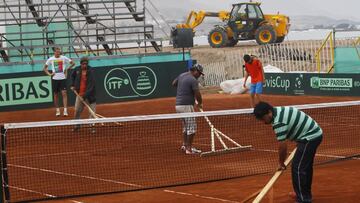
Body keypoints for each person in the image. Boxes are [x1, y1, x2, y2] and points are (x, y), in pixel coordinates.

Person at [253, 101, 323, 203]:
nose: (263, 122)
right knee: (304, 167)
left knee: (299, 168)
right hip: (311, 134)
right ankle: (302, 193)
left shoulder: (278, 122)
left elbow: (282, 146)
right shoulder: (278, 110)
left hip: (310, 137)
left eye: (263, 118)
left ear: (269, 112)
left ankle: (303, 199)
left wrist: (281, 163)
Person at [172, 64, 204, 155]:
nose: (199, 76)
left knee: (186, 127)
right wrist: (200, 103)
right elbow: (197, 93)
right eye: (199, 73)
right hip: (186, 106)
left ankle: (185, 145)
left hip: (178, 106)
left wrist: (183, 89)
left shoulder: (182, 75)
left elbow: (174, 84)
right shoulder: (193, 80)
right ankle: (189, 149)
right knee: (192, 128)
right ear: (196, 71)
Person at [43, 47, 75, 116]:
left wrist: (67, 69)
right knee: (56, 95)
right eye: (57, 52)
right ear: (54, 52)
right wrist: (50, 74)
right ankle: (57, 110)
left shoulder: (64, 58)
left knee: (64, 93)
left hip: (62, 79)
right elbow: (44, 68)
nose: (58, 53)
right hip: (55, 79)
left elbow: (73, 63)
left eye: (59, 51)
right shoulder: (51, 59)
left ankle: (65, 111)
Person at [70, 57, 96, 131]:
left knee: (92, 113)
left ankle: (92, 127)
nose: (85, 65)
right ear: (80, 64)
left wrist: (84, 96)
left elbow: (91, 86)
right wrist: (72, 85)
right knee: (77, 111)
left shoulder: (91, 71)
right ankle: (77, 126)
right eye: (83, 64)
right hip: (79, 95)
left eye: (86, 64)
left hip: (90, 96)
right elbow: (72, 76)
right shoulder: (77, 69)